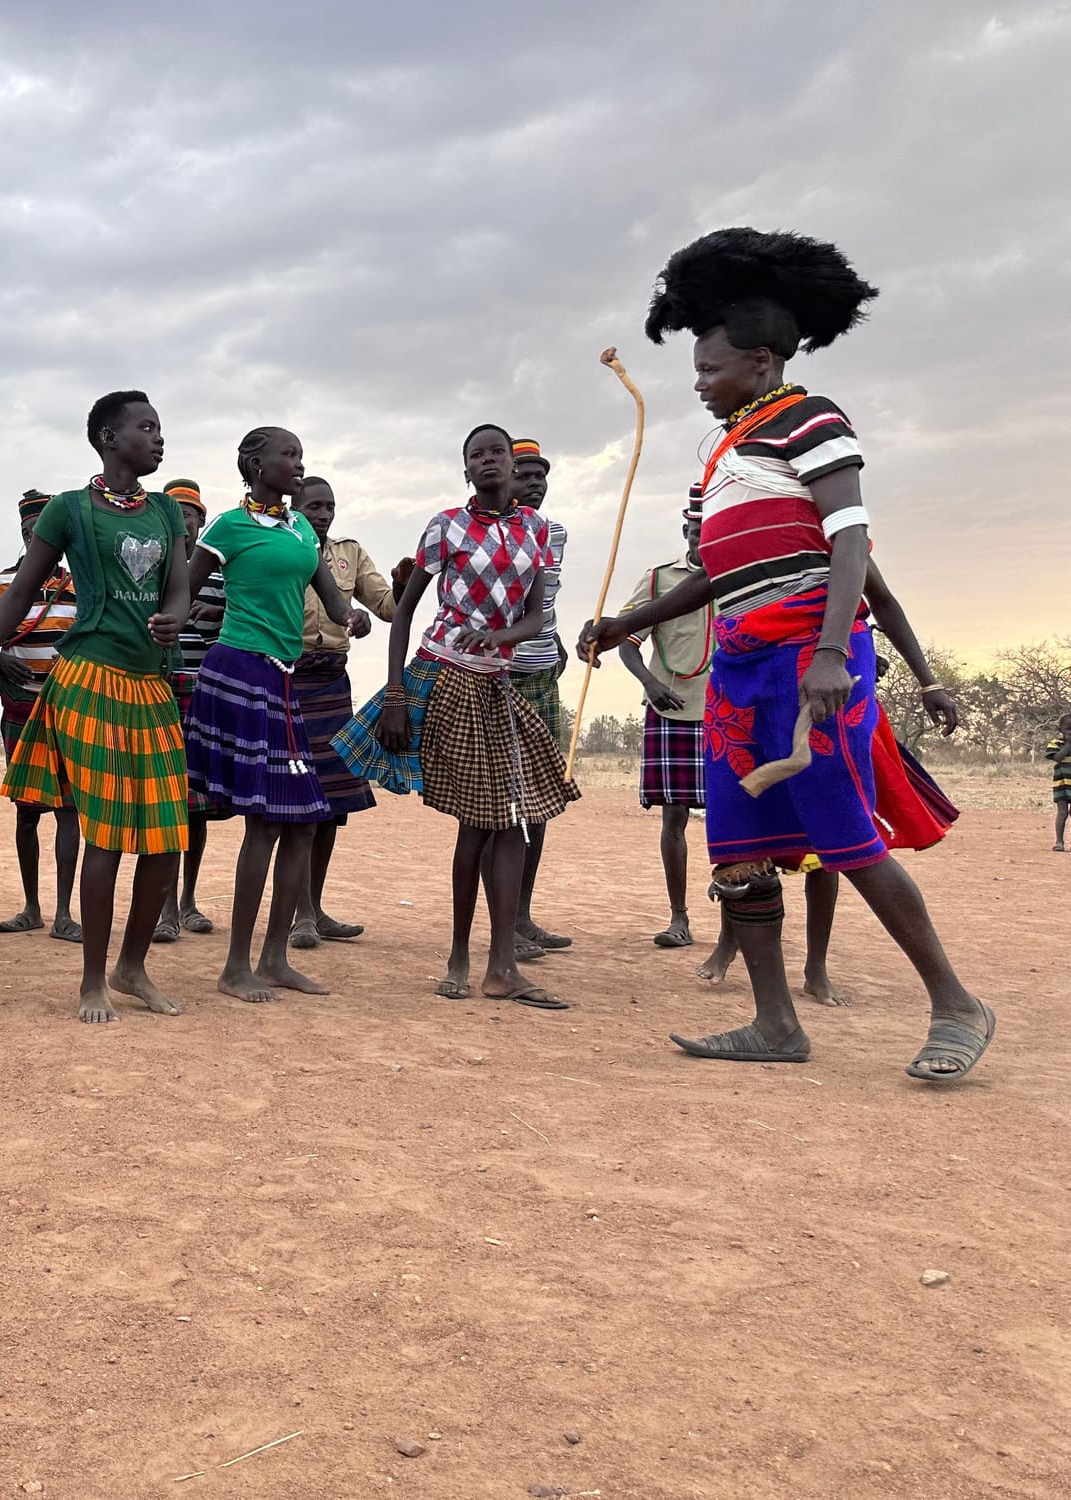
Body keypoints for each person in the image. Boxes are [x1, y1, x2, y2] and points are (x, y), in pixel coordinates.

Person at [581, 226, 992, 1080]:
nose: (699, 382)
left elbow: (851, 544)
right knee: (736, 848)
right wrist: (629, 622)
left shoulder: (812, 419)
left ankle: (957, 1004)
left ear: (761, 361)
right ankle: (775, 1024)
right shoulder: (724, 455)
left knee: (843, 834)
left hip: (809, 654)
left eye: (710, 368)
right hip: (739, 665)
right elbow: (714, 574)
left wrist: (833, 652)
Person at [0, 392, 191, 1024]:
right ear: (109, 437)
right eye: (147, 427)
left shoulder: (165, 511)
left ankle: (133, 968)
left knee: (166, 836)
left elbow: (179, 590)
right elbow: (20, 592)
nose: (159, 438)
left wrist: (173, 618)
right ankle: (93, 981)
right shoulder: (69, 509)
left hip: (150, 687)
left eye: (160, 428)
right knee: (103, 832)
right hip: (88, 682)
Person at [338, 422, 579, 1009]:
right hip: (445, 675)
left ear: (511, 464)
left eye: (497, 451)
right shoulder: (446, 526)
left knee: (515, 817)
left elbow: (536, 618)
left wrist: (500, 637)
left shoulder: (537, 530)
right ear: (466, 469)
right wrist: (396, 696)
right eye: (477, 454)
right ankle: (460, 957)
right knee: (477, 822)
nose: (488, 460)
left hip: (499, 680)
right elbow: (404, 613)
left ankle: (501, 966)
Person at [691, 560, 962, 1004]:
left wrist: (927, 683)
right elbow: (709, 585)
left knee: (829, 851)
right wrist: (628, 623)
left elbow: (883, 602)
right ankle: (732, 950)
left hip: (824, 712)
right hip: (756, 700)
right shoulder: (741, 561)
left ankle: (817, 968)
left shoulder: (835, 545)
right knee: (744, 845)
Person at [187, 429, 353, 1003]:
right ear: (256, 465)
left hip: (283, 679)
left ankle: (274, 959)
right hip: (239, 672)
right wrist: (163, 627)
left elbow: (332, 599)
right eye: (290, 455)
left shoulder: (301, 528)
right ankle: (236, 966)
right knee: (266, 819)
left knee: (302, 821)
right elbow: (182, 591)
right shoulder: (228, 527)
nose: (299, 464)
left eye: (301, 455)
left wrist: (353, 617)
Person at [287, 474, 393, 950]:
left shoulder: (349, 554)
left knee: (332, 804)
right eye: (314, 506)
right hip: (286, 678)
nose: (323, 514)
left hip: (332, 679)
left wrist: (412, 582)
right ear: (294, 506)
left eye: (329, 506)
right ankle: (299, 915)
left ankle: (313, 908)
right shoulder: (281, 550)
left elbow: (387, 606)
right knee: (296, 802)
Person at [0, 489, 82, 942]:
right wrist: (2, 660)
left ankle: (64, 914)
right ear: (23, 534)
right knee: (27, 812)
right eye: (29, 530)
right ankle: (31, 908)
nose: (35, 536)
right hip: (20, 707)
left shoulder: (82, 582)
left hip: (69, 709)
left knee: (68, 810)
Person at [618, 504, 712, 949]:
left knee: (736, 818)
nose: (702, 539)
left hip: (729, 712)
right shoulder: (658, 580)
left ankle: (738, 921)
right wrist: (650, 683)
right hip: (672, 708)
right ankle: (680, 918)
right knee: (674, 818)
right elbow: (626, 640)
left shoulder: (740, 576)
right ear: (684, 530)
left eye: (710, 530)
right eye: (695, 531)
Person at [494, 439, 573, 958]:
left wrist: (556, 640)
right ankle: (503, 926)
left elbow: (544, 600)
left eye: (540, 475)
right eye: (524, 474)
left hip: (542, 673)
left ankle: (522, 917)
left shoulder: (555, 533)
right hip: (498, 674)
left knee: (539, 800)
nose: (534, 483)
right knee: (499, 805)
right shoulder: (484, 533)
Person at [155, 478, 230, 941]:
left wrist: (219, 615)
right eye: (176, 514)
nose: (184, 523)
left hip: (204, 691)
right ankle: (163, 906)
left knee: (197, 806)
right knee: (166, 801)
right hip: (159, 692)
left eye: (191, 515)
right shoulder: (151, 570)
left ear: (201, 523)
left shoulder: (221, 576)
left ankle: (188, 901)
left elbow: (240, 622)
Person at [1051, 713, 1071, 852]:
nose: (1070, 732)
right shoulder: (1055, 743)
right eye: (1068, 729)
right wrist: (1068, 744)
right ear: (1060, 730)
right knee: (1062, 813)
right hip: (1062, 785)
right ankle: (1059, 842)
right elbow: (1057, 757)